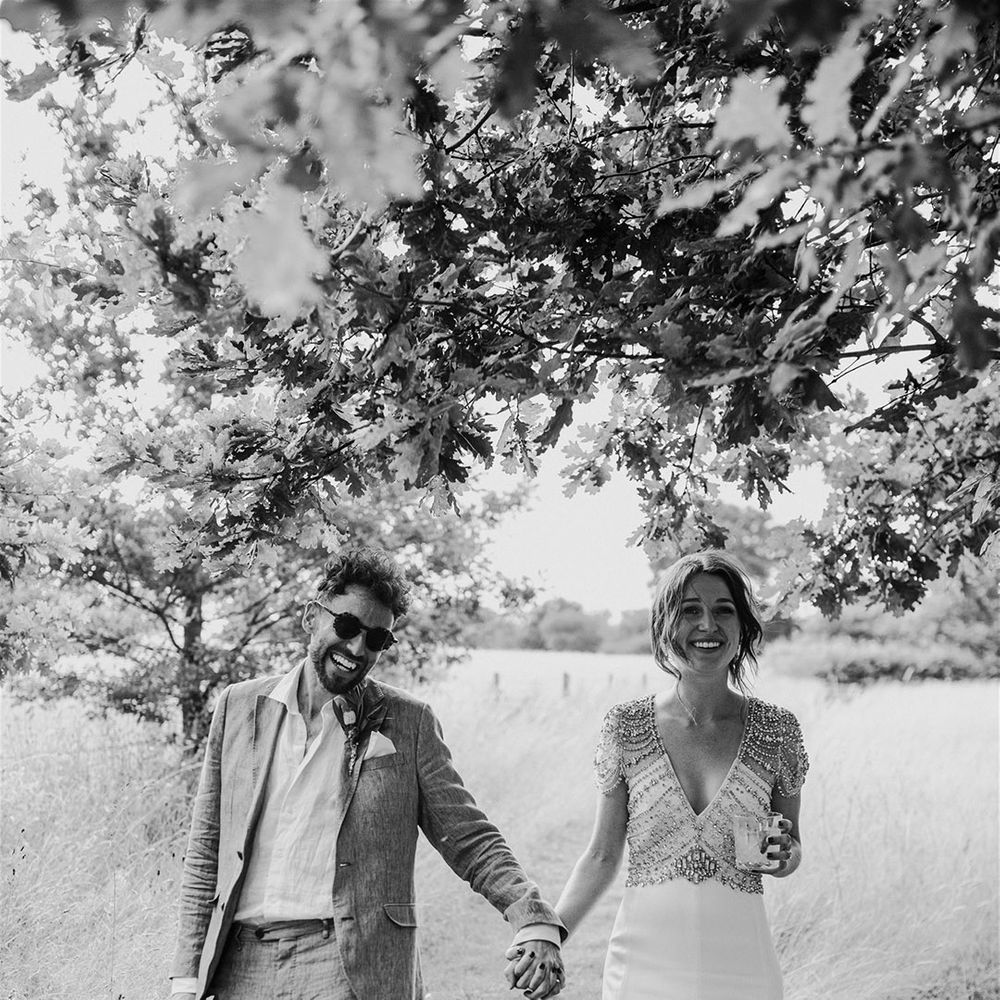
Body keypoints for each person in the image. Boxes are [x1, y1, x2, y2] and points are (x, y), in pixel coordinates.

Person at [170, 544, 566, 1000]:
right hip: (240, 965)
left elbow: (468, 836)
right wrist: (186, 980)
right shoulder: (238, 707)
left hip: (347, 964)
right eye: (347, 626)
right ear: (311, 617)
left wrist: (533, 918)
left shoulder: (408, 722)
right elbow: (206, 849)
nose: (358, 648)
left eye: (377, 639)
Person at [508, 549, 808, 1000]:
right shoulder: (626, 726)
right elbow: (601, 856)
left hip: (745, 966)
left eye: (723, 610)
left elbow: (792, 848)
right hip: (643, 967)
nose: (708, 625)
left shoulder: (777, 729)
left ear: (743, 626)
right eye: (690, 611)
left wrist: (784, 857)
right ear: (666, 624)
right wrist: (550, 933)